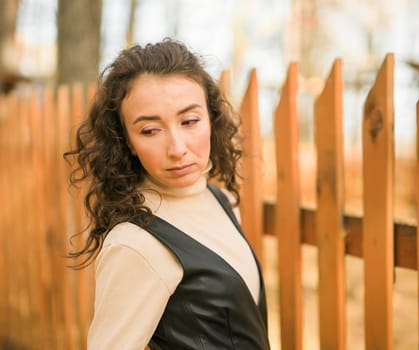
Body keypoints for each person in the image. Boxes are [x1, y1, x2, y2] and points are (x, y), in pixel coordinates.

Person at [64, 39, 271, 350]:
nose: (177, 149)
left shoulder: (219, 199)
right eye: (150, 130)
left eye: (189, 121)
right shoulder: (136, 244)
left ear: (211, 120)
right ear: (127, 141)